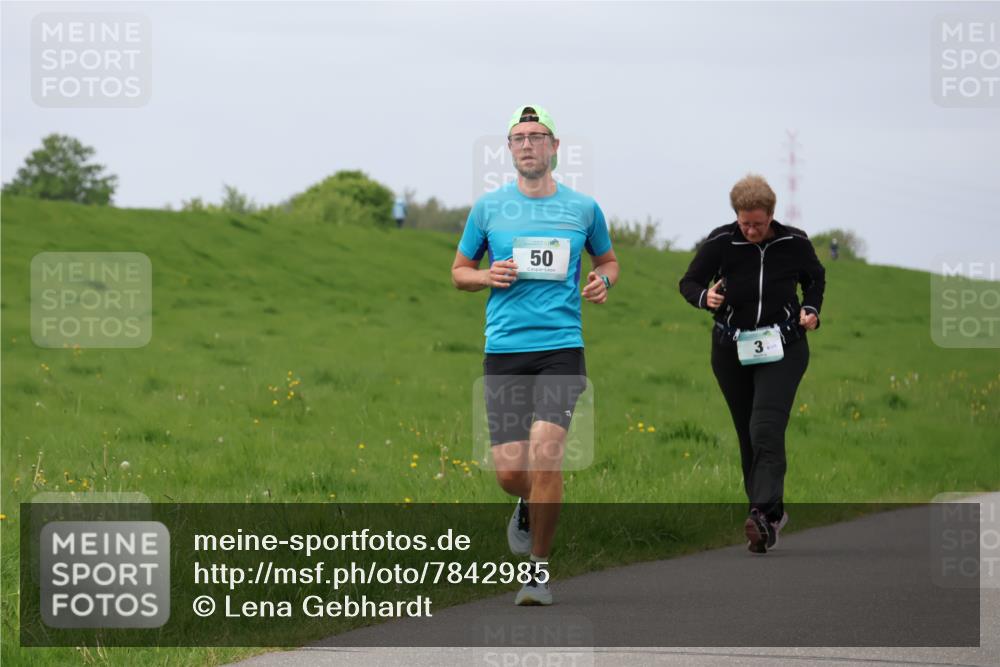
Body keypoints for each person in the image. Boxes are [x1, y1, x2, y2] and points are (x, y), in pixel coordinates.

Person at [451, 105, 619, 603]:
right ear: (509, 150)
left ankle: (538, 573)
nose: (527, 144)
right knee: (510, 473)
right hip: (504, 350)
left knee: (547, 457)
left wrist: (602, 279)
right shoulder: (488, 209)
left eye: (536, 136)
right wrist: (486, 276)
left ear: (554, 147)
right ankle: (525, 502)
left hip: (561, 350)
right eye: (518, 138)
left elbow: (608, 259)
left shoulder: (583, 209)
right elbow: (459, 271)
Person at [679, 174, 825, 554]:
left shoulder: (794, 242)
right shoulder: (721, 241)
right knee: (747, 433)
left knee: (765, 427)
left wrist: (811, 309)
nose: (751, 230)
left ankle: (764, 513)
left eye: (757, 224)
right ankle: (765, 516)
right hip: (732, 349)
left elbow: (816, 278)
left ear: (771, 216)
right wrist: (704, 298)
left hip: (783, 346)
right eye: (744, 223)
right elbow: (689, 282)